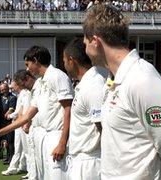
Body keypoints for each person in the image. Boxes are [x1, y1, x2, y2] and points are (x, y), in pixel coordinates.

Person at [83, 4, 161, 179]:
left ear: (95, 41)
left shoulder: (141, 78)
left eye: (85, 42)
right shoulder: (114, 79)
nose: (84, 49)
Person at [0, 46, 74, 180]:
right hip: (43, 137)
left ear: (35, 60)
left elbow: (68, 109)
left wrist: (62, 143)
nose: (27, 69)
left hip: (56, 136)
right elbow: (28, 115)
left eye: (28, 64)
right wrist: (2, 131)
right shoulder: (40, 83)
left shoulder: (57, 76)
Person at [62, 37, 108, 180]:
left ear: (71, 60)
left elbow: (104, 129)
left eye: (64, 61)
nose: (64, 65)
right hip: (80, 162)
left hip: (90, 165)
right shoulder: (85, 84)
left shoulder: (93, 86)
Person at [0, 83, 17, 165]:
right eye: (2, 89)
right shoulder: (0, 97)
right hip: (2, 122)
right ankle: (7, 157)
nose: (3, 91)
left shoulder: (12, 97)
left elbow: (11, 108)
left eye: (4, 89)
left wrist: (7, 113)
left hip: (9, 122)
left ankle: (11, 158)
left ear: (7, 88)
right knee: (5, 141)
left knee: (10, 141)